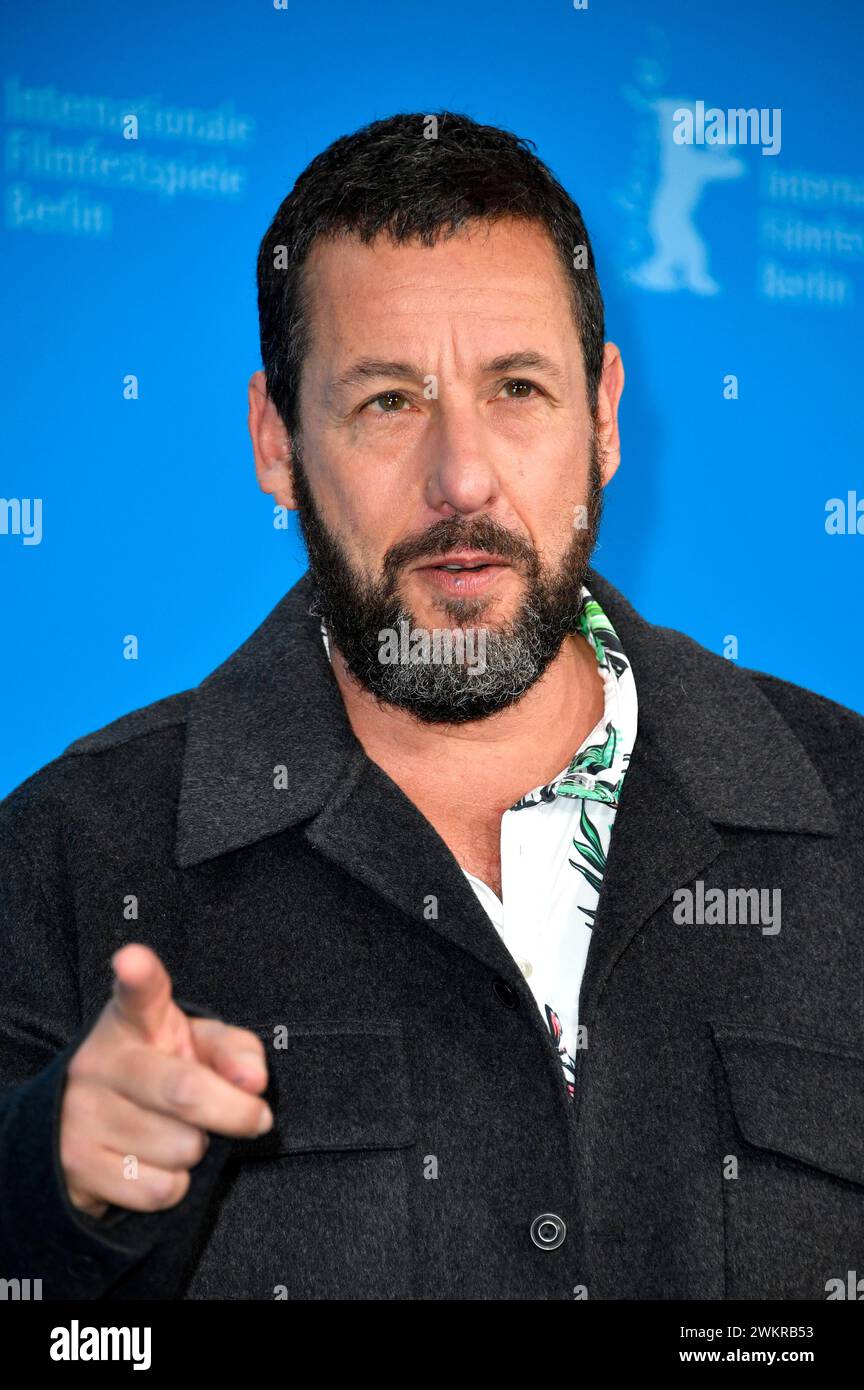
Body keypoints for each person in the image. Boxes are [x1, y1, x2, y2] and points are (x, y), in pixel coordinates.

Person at [1, 112, 862, 1302]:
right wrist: (51, 1192)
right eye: (388, 402)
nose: (462, 478)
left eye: (518, 388)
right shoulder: (65, 857)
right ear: (276, 441)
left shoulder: (850, 815)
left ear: (605, 416)